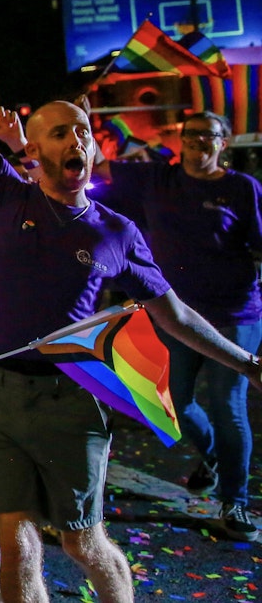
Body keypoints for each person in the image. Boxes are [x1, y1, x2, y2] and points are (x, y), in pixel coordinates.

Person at [0, 0, 262, 603]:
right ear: (35, 149)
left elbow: (174, 316)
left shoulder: (117, 231)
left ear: (93, 149)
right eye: (59, 131)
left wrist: (250, 363)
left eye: (83, 131)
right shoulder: (4, 195)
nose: (77, 140)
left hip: (71, 397)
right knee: (13, 540)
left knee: (81, 542)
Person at [91, 110, 262, 541]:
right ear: (181, 140)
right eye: (192, 134)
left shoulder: (242, 188)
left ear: (224, 143)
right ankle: (216, 457)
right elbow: (98, 166)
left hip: (233, 314)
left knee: (228, 405)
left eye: (209, 135)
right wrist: (81, 124)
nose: (198, 141)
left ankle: (235, 502)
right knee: (175, 403)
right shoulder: (157, 179)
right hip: (176, 314)